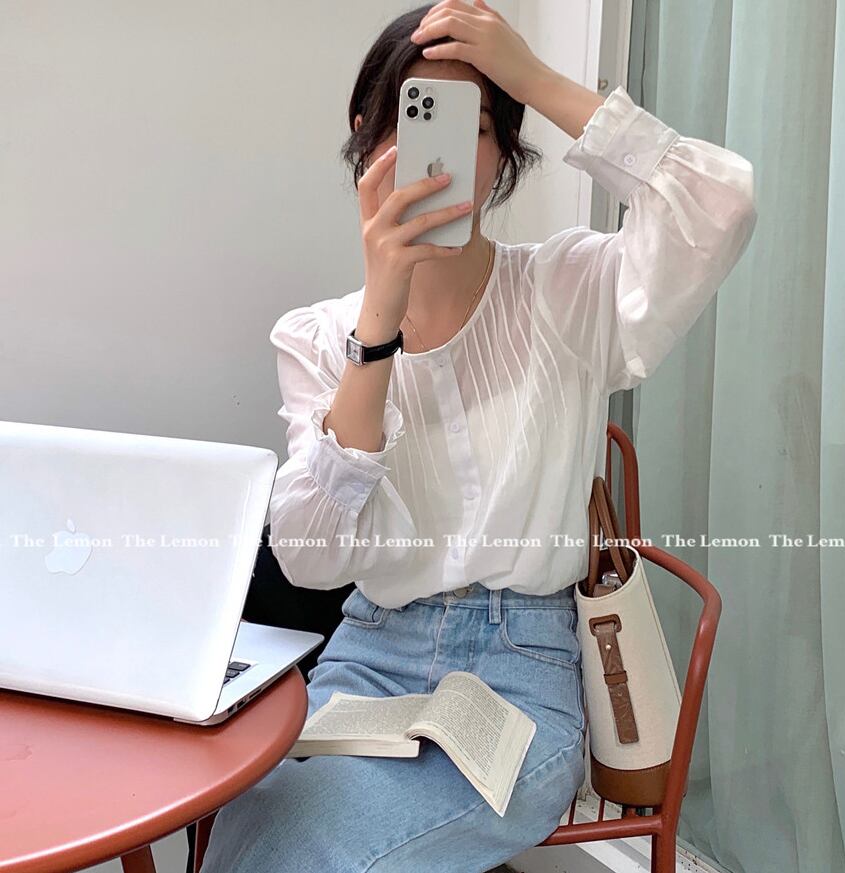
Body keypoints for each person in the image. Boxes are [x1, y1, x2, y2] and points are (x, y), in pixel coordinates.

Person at [200, 2, 757, 871]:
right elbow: (310, 560)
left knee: (304, 851)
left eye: (477, 124)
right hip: (368, 655)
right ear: (365, 133)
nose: (443, 150)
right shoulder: (315, 337)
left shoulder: (567, 290)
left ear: (505, 154)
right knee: (248, 819)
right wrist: (378, 321)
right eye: (414, 115)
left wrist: (534, 77)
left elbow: (718, 202)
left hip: (521, 667)